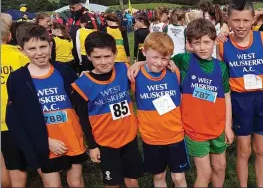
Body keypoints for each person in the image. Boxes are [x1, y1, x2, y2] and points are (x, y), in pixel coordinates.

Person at [128, 18, 234, 188]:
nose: (203, 47)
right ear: (189, 44)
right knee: (205, 173)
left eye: (207, 42)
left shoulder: (221, 67)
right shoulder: (183, 60)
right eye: (197, 42)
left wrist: (228, 126)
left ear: (214, 41)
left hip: (218, 126)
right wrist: (139, 62)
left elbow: (226, 96)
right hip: (194, 129)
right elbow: (159, 59)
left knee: (220, 167)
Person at [6, 25, 87, 187]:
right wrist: (45, 140)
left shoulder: (64, 71)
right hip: (45, 142)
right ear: (23, 51)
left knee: (76, 182)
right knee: (52, 184)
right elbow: (17, 118)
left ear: (50, 46)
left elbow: (81, 102)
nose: (39, 53)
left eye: (43, 46)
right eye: (32, 48)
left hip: (71, 136)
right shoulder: (17, 79)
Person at [72, 31, 143, 187]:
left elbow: (150, 67)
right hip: (105, 143)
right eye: (97, 57)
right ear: (88, 57)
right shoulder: (81, 85)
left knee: (132, 179)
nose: (103, 62)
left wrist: (140, 63)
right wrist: (92, 146)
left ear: (115, 54)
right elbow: (83, 120)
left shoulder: (124, 69)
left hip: (129, 137)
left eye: (107, 56)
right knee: (112, 183)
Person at [217, 0, 263, 188]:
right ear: (228, 20)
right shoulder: (222, 44)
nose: (241, 25)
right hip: (240, 100)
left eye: (246, 20)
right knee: (243, 150)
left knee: (260, 148)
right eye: (236, 20)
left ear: (253, 20)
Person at [134, 32, 188, 187]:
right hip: (151, 138)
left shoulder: (174, 72)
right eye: (155, 57)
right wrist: (137, 63)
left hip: (175, 136)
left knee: (179, 178)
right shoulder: (135, 75)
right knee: (158, 177)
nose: (159, 63)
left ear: (170, 57)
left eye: (164, 58)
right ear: (144, 53)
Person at [0, 19, 29, 188]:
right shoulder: (19, 55)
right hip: (16, 119)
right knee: (18, 165)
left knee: (4, 163)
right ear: (10, 36)